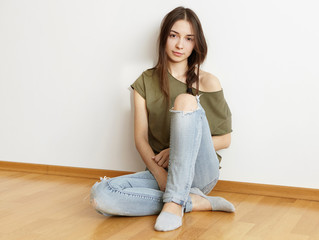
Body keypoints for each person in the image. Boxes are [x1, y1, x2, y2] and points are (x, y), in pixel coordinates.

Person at [90, 6, 234, 232]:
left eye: (188, 39)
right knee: (101, 195)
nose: (180, 45)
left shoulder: (208, 82)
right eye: (174, 36)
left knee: (186, 101)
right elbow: (140, 140)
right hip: (162, 172)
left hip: (200, 172)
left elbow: (225, 139)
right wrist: (159, 175)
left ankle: (176, 202)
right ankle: (193, 201)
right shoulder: (145, 82)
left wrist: (176, 149)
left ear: (196, 44)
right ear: (164, 37)